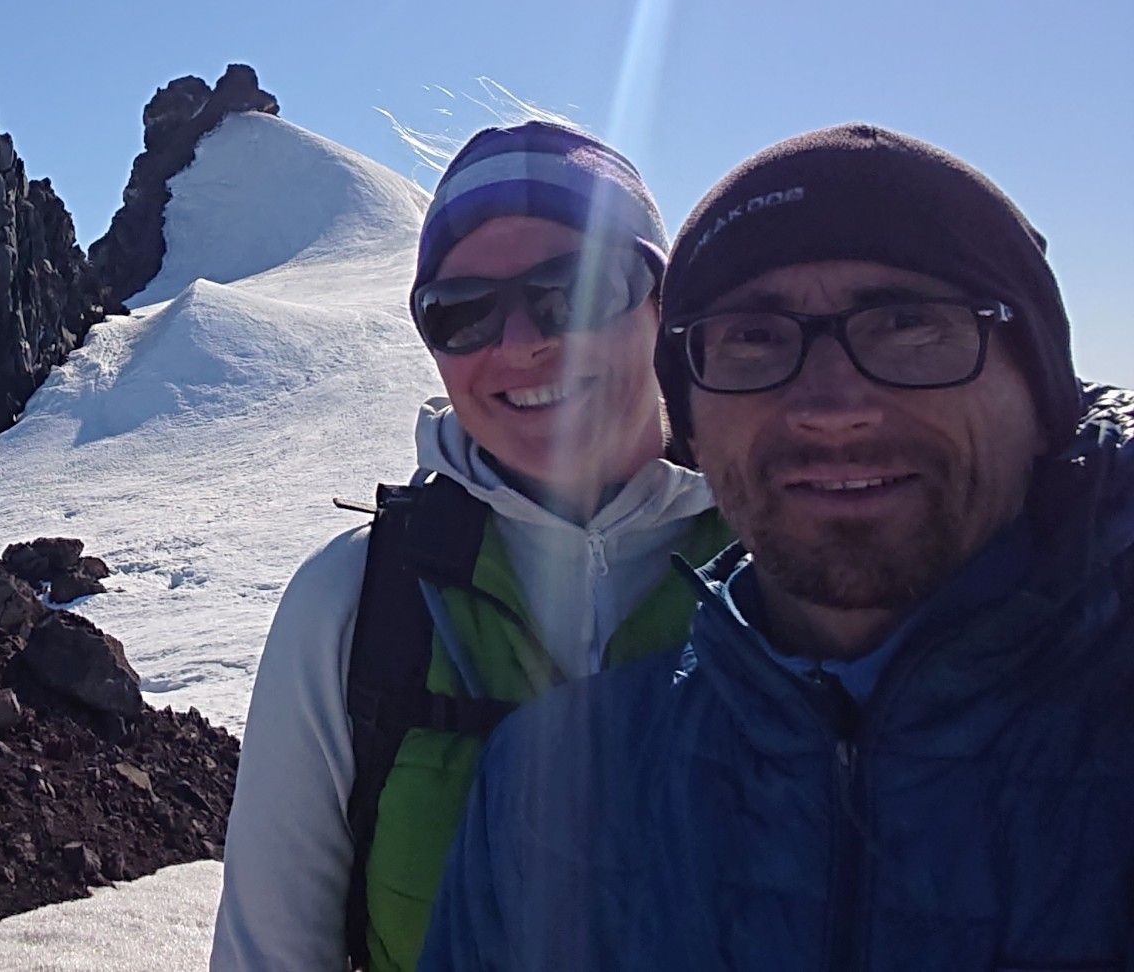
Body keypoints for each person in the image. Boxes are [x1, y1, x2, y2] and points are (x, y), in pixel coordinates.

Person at [418, 123, 1134, 972]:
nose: (832, 407)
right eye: (755, 338)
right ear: (692, 416)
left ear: (1043, 391)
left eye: (908, 324)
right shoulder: (553, 786)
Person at [210, 121, 730, 972]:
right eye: (462, 311)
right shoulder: (355, 600)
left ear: (661, 303)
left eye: (575, 288)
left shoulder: (794, 564)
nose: (520, 344)